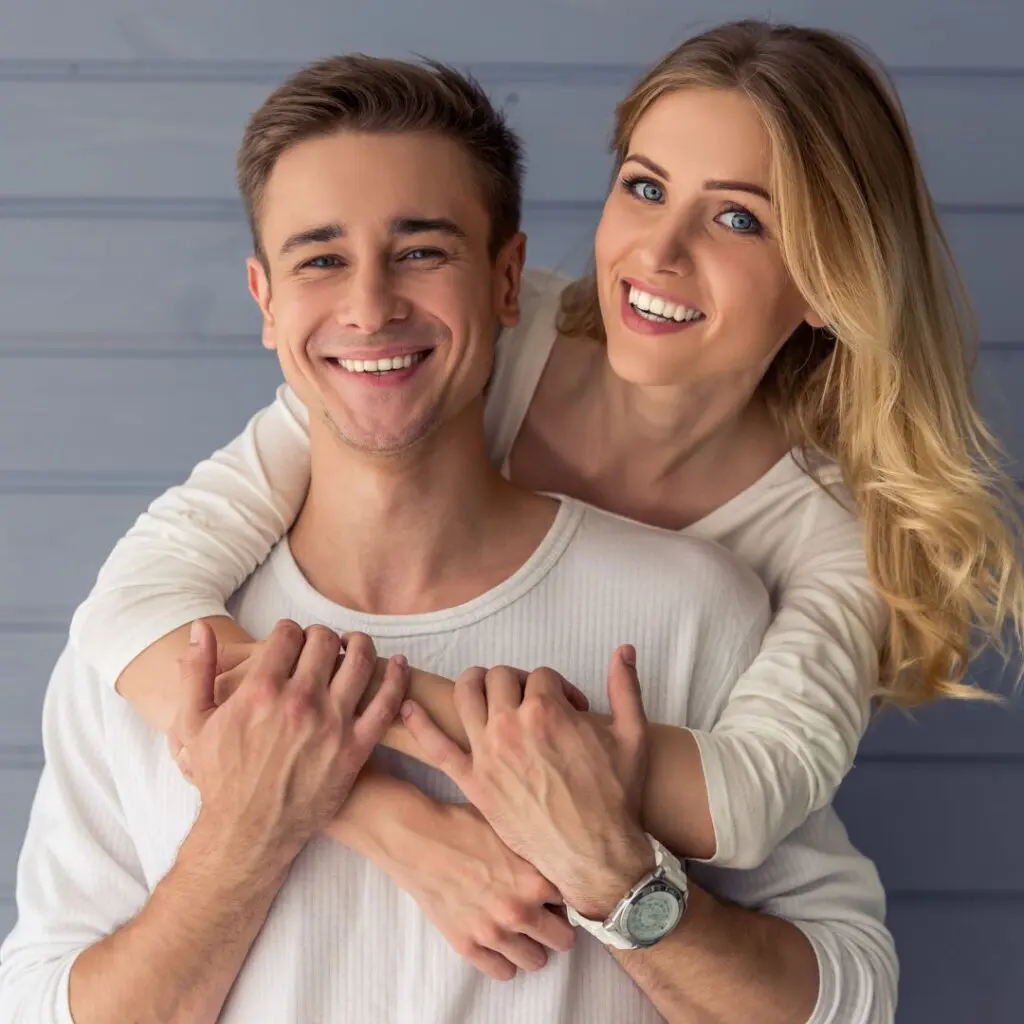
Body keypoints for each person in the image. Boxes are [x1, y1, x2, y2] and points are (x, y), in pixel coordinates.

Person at [0, 49, 896, 1024]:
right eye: (320, 258)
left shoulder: (709, 606)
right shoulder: (156, 643)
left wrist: (614, 873)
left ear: (506, 283)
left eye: (421, 250)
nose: (369, 306)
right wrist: (266, 827)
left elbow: (844, 992)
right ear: (266, 301)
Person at [65, 20, 1023, 874]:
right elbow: (133, 612)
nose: (658, 252)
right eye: (644, 188)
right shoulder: (471, 334)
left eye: (738, 217)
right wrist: (386, 817)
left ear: (827, 282)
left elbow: (745, 804)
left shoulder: (824, 534)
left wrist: (451, 719)